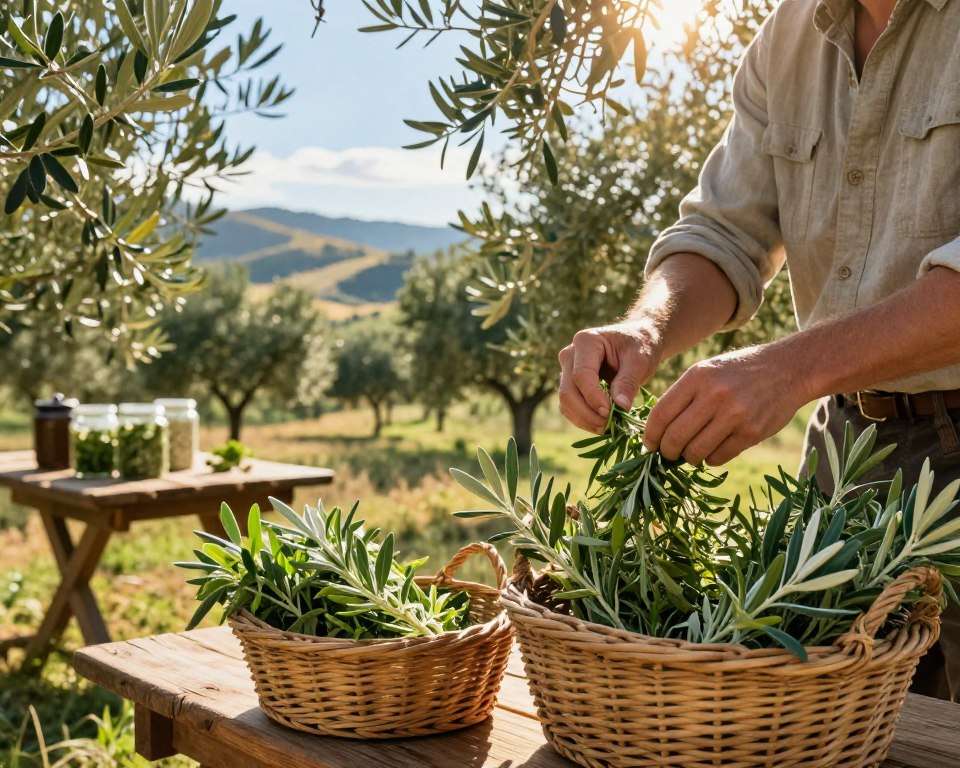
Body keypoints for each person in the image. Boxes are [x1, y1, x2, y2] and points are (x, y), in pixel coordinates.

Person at [557, 0, 960, 701]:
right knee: (842, 732)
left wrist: (790, 369)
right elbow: (726, 234)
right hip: (848, 454)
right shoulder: (789, 36)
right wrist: (646, 331)